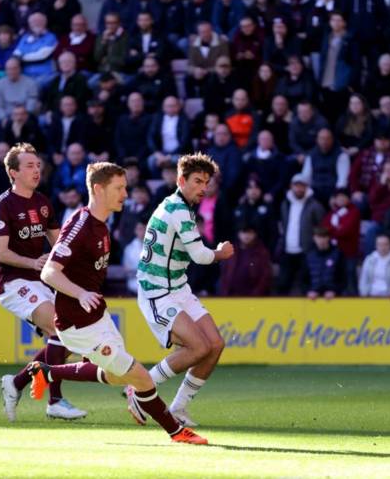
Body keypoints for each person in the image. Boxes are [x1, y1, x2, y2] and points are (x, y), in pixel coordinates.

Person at [31, 161, 208, 444]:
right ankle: (177, 432)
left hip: (96, 316)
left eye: (125, 187)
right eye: (119, 188)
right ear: (99, 190)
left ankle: (47, 372)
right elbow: (49, 272)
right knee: (142, 378)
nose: (125, 193)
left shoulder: (102, 224)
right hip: (78, 323)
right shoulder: (80, 225)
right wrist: (80, 294)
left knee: (117, 376)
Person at [136, 153, 234, 427]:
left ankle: (179, 407)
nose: (203, 187)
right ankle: (140, 388)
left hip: (178, 287)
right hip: (157, 290)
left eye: (206, 182)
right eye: (197, 181)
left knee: (215, 344)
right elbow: (200, 255)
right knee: (199, 347)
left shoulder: (182, 206)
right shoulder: (178, 209)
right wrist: (220, 253)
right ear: (181, 180)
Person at [0, 143, 86, 422]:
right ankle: (55, 402)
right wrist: (33, 262)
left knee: (68, 338)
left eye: (38, 165)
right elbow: (2, 253)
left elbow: (59, 244)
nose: (37, 170)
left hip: (41, 280)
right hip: (12, 282)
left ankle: (17, 382)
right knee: (59, 327)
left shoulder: (43, 202)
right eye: (30, 166)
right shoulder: (2, 207)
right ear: (13, 172)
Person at [278, 174, 326, 295]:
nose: (299, 189)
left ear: (307, 187)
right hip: (287, 250)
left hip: (306, 251)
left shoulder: (315, 206)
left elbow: (321, 228)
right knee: (283, 284)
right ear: (291, 187)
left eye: (302, 186)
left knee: (304, 284)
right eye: (296, 186)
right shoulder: (285, 204)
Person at [219, 223, 273, 296]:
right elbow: (225, 274)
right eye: (244, 232)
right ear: (239, 234)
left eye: (250, 233)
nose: (247, 235)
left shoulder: (262, 252)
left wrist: (255, 295)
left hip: (253, 297)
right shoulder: (231, 250)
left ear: (255, 234)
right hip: (231, 296)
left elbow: (265, 277)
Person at [305, 226, 345, 299]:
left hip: (333, 297)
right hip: (313, 296)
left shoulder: (337, 254)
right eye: (318, 237)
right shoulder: (309, 255)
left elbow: (343, 278)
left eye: (323, 237)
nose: (321, 240)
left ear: (328, 238)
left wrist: (335, 291)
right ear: (314, 238)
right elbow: (303, 279)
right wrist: (308, 291)